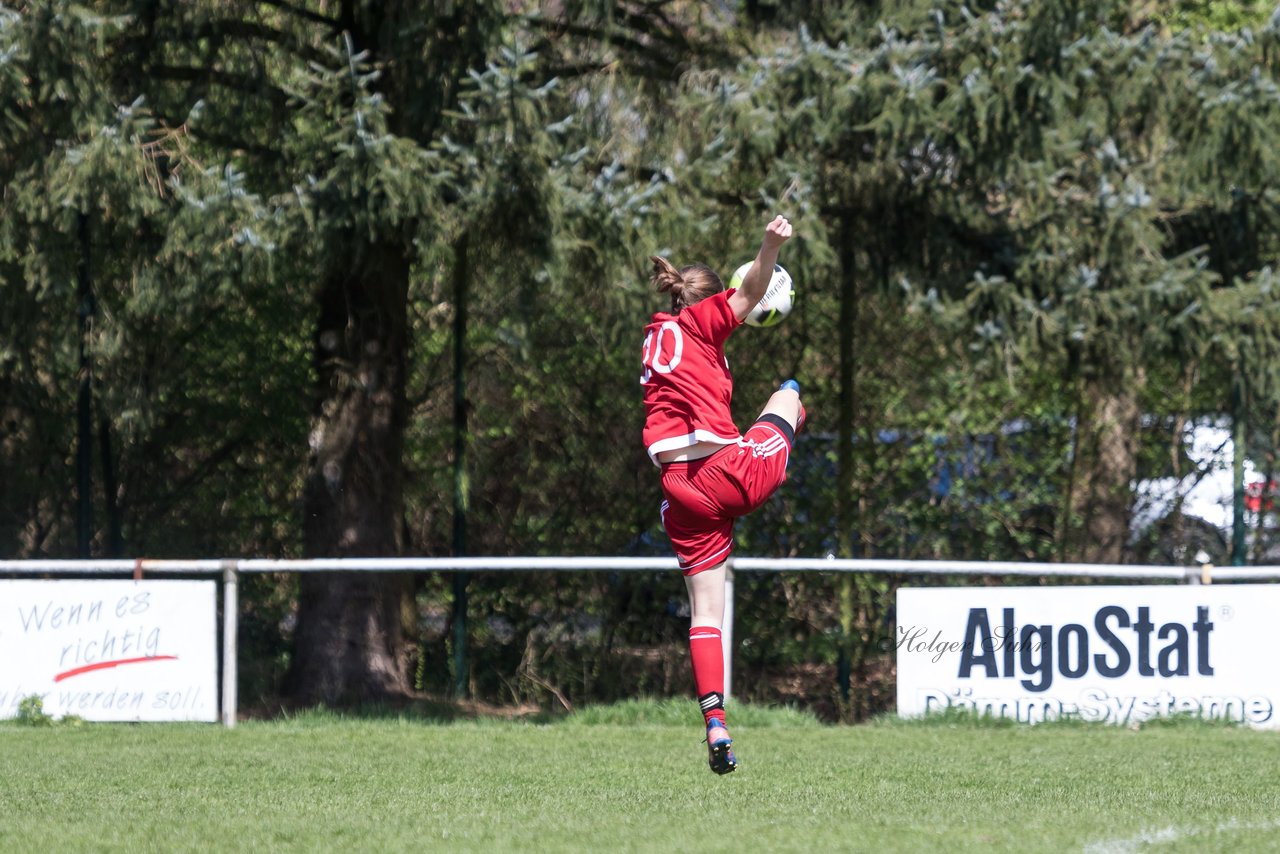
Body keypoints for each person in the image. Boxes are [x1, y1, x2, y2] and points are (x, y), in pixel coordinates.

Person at [639, 214, 804, 775]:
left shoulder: (656, 340)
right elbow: (753, 288)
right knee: (787, 399)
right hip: (726, 475)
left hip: (679, 494)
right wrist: (770, 246)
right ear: (712, 300)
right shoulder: (703, 324)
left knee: (704, 614)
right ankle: (788, 415)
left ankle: (715, 724)